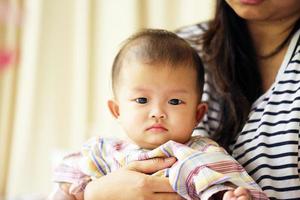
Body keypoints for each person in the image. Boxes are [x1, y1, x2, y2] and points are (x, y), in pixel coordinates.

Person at [62, 0, 299, 199]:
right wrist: (88, 192)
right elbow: (66, 176)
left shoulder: (200, 153)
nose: (157, 112)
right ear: (117, 111)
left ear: (198, 114)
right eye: (142, 100)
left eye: (174, 102)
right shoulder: (105, 149)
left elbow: (225, 184)